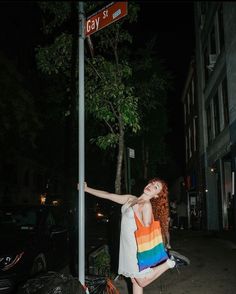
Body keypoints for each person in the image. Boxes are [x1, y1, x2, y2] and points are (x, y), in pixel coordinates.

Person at [84, 178, 187, 294]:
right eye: (152, 183)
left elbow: (147, 230)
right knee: (135, 282)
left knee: (141, 281)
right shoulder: (131, 199)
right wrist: (87, 189)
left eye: (156, 187)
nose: (151, 186)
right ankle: (169, 262)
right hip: (127, 247)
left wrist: (141, 215)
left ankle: (170, 262)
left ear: (156, 196)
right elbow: (109, 195)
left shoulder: (146, 205)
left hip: (135, 249)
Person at [151, 183, 171, 249]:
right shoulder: (154, 200)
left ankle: (167, 244)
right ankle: (165, 245)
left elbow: (166, 208)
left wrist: (168, 217)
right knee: (162, 231)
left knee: (165, 231)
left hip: (165, 216)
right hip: (159, 217)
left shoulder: (163, 199)